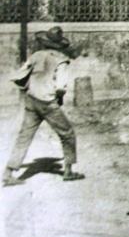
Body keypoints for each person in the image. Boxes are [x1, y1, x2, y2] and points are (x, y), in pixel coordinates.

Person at [3, 27, 84, 186]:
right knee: (67, 133)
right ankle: (68, 171)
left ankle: (8, 172)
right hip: (48, 103)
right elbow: (61, 86)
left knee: (24, 136)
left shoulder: (36, 55)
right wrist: (58, 98)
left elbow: (21, 74)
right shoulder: (61, 60)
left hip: (32, 100)